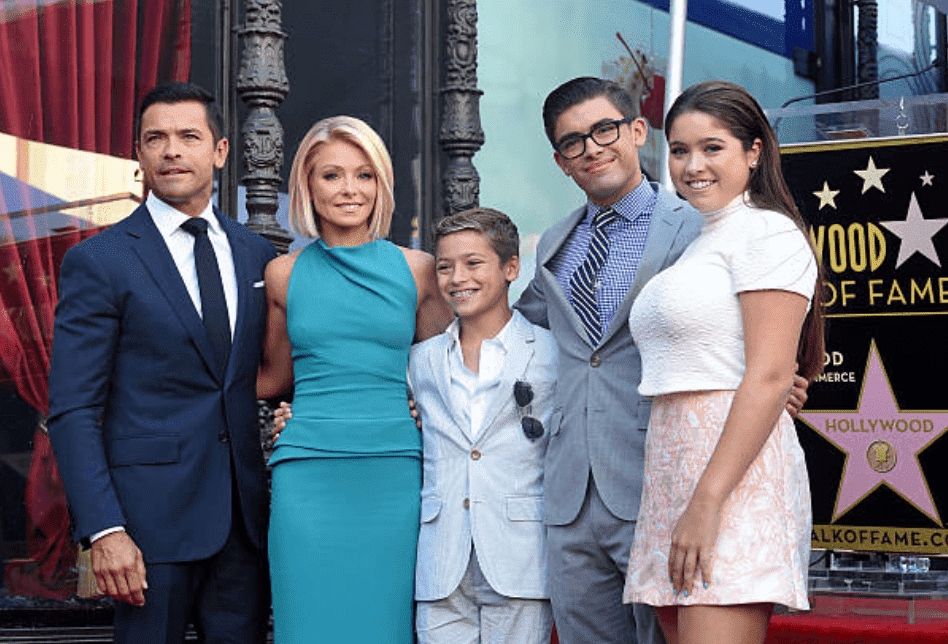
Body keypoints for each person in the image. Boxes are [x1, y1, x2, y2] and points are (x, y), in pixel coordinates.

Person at [513, 77, 809, 644]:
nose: (593, 147)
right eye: (574, 141)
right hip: (593, 485)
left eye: (604, 129)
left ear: (634, 132)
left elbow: (768, 354)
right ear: (560, 160)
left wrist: (776, 381)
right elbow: (518, 335)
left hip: (686, 470)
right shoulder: (553, 245)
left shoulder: (704, 219)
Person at [47, 83, 274, 644]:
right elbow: (74, 409)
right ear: (140, 154)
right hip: (145, 534)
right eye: (156, 139)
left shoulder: (257, 254)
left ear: (220, 151)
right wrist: (105, 529)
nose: (172, 150)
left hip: (244, 531)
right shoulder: (100, 261)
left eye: (188, 137)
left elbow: (257, 380)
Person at [622, 80, 824, 644]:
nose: (692, 165)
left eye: (713, 147)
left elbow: (769, 375)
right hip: (672, 466)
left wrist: (708, 500)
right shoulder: (700, 239)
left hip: (728, 476)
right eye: (680, 150)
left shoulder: (766, 232)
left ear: (754, 151)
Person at [256, 115, 452, 643]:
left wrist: (418, 401)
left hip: (394, 473)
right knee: (309, 627)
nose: (349, 190)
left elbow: (449, 373)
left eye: (364, 175)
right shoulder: (284, 273)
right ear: (307, 185)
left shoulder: (419, 270)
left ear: (381, 184)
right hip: (308, 475)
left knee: (384, 627)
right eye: (332, 175)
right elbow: (271, 379)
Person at [411, 208, 557, 644]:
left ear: (511, 267)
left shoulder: (550, 353)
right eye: (445, 266)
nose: (457, 278)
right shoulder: (421, 360)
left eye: (473, 263)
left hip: (520, 559)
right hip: (441, 566)